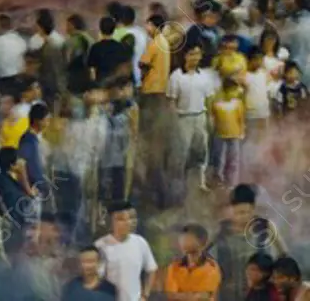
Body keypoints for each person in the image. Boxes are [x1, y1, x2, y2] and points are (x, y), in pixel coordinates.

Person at [167, 44, 216, 195]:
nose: (195, 57)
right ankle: (178, 185)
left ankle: (200, 182)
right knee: (182, 152)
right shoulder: (176, 76)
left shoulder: (204, 76)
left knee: (202, 151)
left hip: (200, 116)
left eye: (197, 54)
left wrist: (211, 117)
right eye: (191, 54)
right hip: (183, 118)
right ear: (185, 56)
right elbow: (171, 101)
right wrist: (174, 120)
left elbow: (209, 99)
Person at [95, 201, 157, 301]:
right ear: (111, 222)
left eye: (130, 218)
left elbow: (152, 269)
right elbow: (97, 278)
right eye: (121, 219)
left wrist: (145, 295)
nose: (127, 222)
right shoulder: (101, 245)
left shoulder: (140, 243)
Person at [164, 224, 222, 300]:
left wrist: (181, 295)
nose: (183, 242)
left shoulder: (211, 267)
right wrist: (192, 296)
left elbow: (203, 297)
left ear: (202, 242)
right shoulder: (174, 266)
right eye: (182, 238)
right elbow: (171, 295)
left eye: (188, 239)